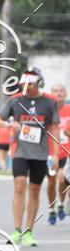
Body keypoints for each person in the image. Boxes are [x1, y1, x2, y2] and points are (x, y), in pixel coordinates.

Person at [0, 67, 59, 246]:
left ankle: (29, 231)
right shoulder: (15, 100)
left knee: (35, 189)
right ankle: (16, 230)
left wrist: (55, 154)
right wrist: (9, 124)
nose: (27, 87)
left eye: (31, 84)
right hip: (20, 151)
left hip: (41, 153)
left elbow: (54, 129)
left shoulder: (50, 102)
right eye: (24, 84)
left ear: (39, 83)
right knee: (19, 185)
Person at [46, 84, 70, 223]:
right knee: (51, 182)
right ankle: (51, 209)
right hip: (50, 152)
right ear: (51, 94)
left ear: (65, 94)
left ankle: (61, 203)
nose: (59, 93)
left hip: (66, 152)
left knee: (62, 179)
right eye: (55, 91)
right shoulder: (47, 111)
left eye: (61, 91)